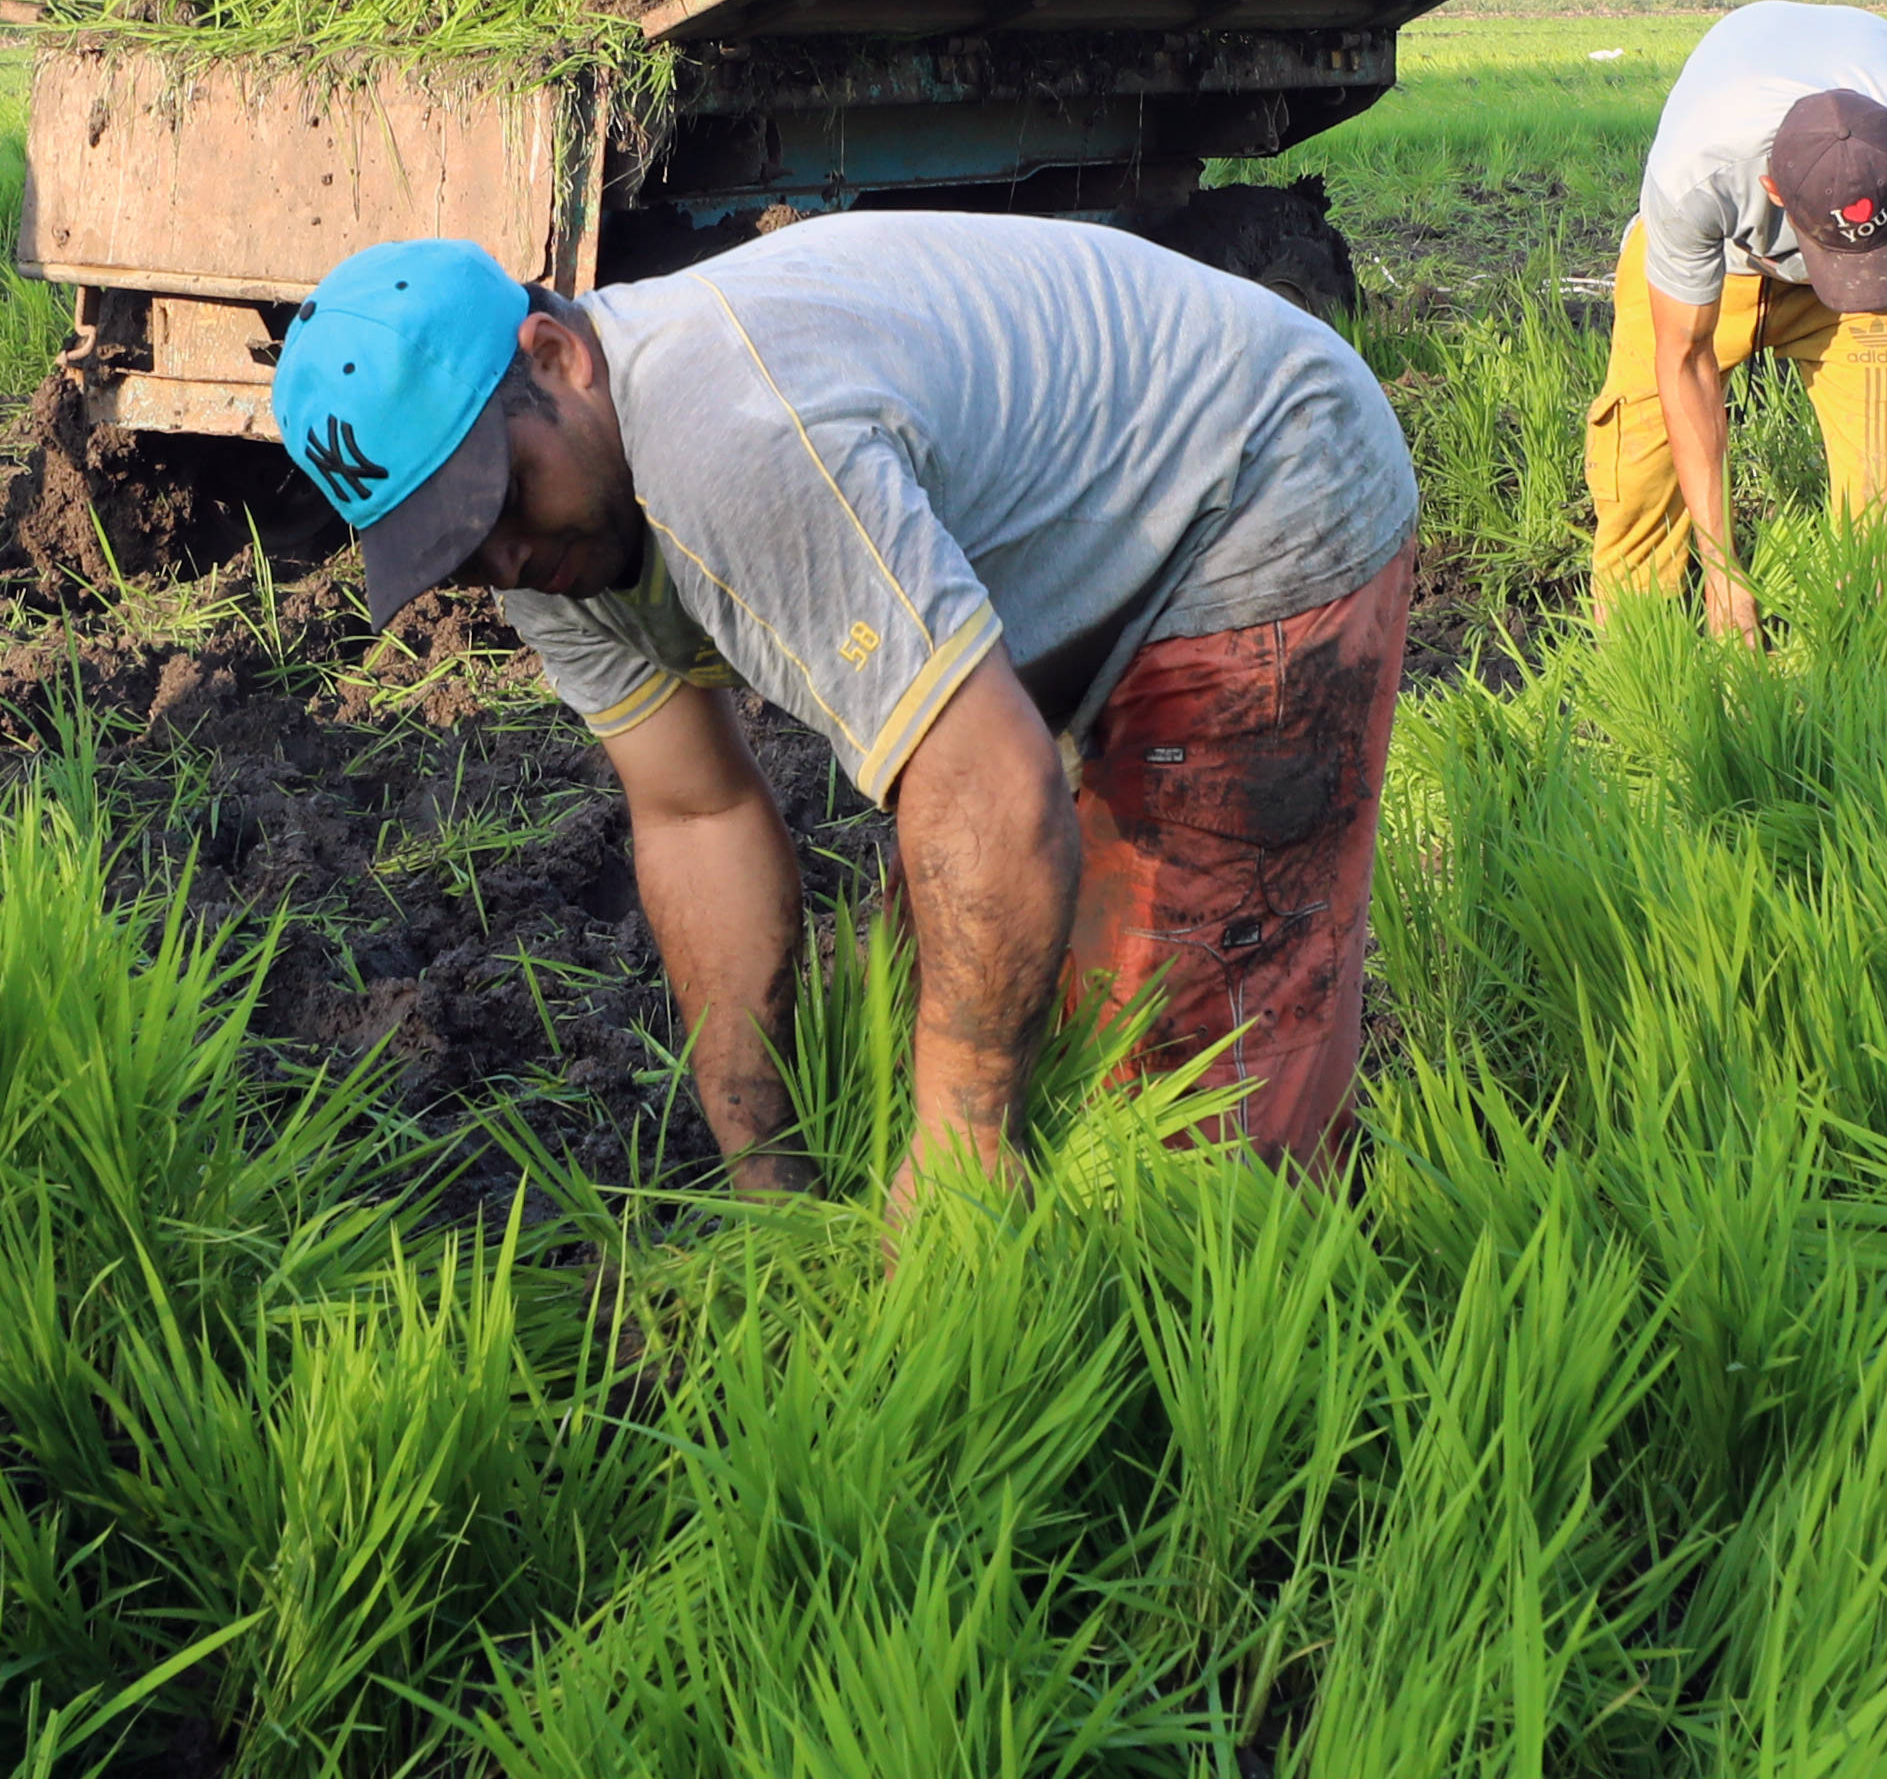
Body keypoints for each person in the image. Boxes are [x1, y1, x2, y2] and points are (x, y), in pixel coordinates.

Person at [270, 213, 1413, 1199]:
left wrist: (960, 1158)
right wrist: (765, 1174)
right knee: (962, 991)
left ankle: (1249, 1343)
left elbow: (990, 789)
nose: (508, 558)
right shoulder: (546, 536)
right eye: (461, 547)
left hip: (1262, 477)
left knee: (1187, 1056)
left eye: (504, 497)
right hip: (1065, 566)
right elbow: (695, 815)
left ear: (558, 354)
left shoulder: (723, 438)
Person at [1586, 0, 1887, 635]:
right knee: (1641, 475)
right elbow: (1684, 362)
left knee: (1883, 503)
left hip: (1869, 285)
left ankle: (1864, 657)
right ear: (1775, 191)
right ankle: (1633, 653)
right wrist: (1724, 571)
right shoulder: (1698, 171)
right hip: (1721, 263)